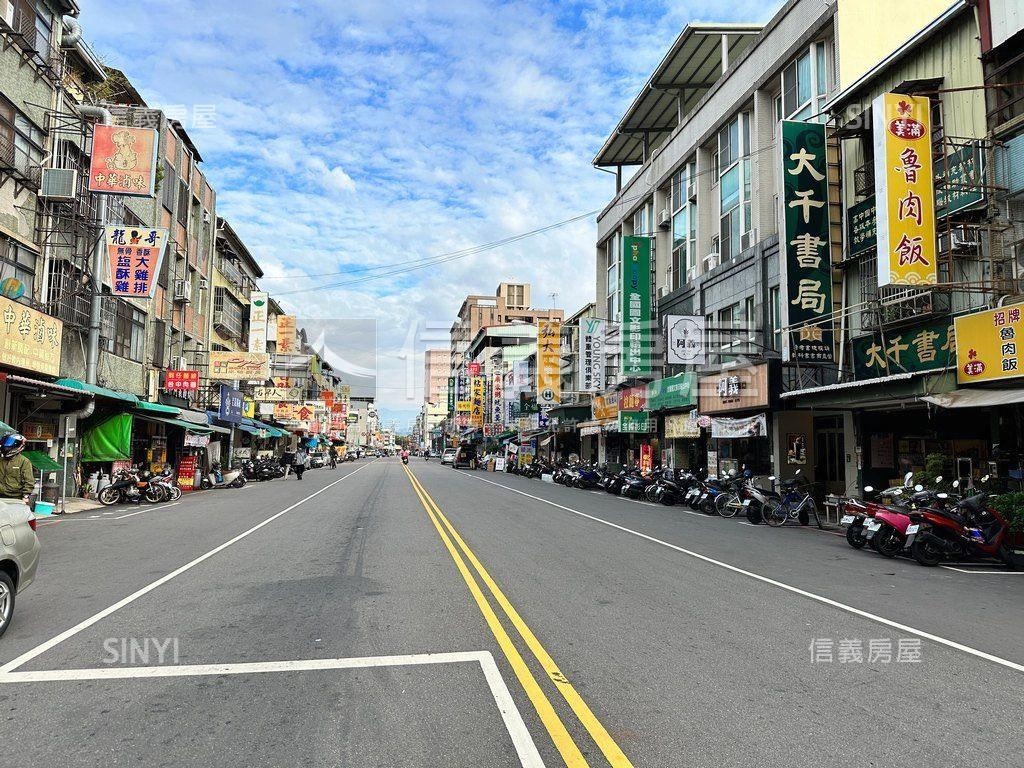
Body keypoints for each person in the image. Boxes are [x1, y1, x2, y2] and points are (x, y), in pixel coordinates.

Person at [0, 433, 34, 501]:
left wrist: (26, 496)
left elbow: (29, 481)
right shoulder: (1, 460)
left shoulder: (24, 461)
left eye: (8, 446)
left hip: (15, 498)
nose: (6, 448)